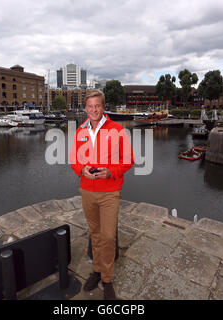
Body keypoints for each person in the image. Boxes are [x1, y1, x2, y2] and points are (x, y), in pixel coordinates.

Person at [69, 89, 134, 300]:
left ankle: (107, 280)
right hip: (87, 190)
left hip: (109, 192)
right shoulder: (80, 131)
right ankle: (97, 271)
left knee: (108, 237)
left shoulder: (117, 129)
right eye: (90, 106)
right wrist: (82, 170)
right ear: (85, 108)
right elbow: (74, 160)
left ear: (103, 107)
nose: (94, 110)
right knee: (95, 235)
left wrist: (110, 171)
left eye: (97, 106)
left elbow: (128, 159)